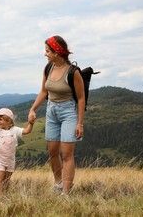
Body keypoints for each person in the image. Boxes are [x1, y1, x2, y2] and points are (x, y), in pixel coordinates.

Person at [28, 35, 84, 196]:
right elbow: (44, 91)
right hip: (51, 111)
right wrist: (33, 109)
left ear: (57, 52)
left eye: (47, 51)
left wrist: (80, 123)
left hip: (68, 112)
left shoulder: (73, 72)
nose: (45, 54)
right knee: (52, 152)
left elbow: (81, 99)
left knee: (66, 154)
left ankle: (66, 193)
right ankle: (58, 184)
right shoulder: (48, 68)